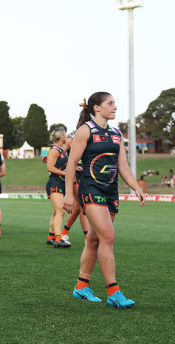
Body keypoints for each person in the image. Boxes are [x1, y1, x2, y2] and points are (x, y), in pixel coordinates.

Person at [65, 92, 146, 308]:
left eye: (114, 103)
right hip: (90, 189)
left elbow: (123, 166)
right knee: (108, 237)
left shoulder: (116, 134)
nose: (115, 107)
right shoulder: (85, 130)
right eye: (110, 103)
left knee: (94, 240)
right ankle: (114, 292)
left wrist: (136, 187)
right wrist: (68, 194)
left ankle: (81, 287)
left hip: (111, 191)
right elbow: (71, 163)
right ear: (97, 108)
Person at [59, 136, 89, 242]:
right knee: (82, 206)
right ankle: (87, 238)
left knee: (77, 208)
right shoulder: (72, 139)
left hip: (86, 175)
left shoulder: (91, 138)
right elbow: (61, 155)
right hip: (76, 176)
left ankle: (63, 233)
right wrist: (70, 166)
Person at [46, 128, 71, 248]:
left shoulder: (62, 150)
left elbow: (62, 166)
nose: (66, 135)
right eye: (65, 134)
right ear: (61, 137)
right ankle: (58, 238)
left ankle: (51, 236)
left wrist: (72, 169)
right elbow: (50, 168)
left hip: (60, 183)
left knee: (56, 211)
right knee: (60, 211)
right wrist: (66, 173)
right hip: (55, 183)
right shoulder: (54, 150)